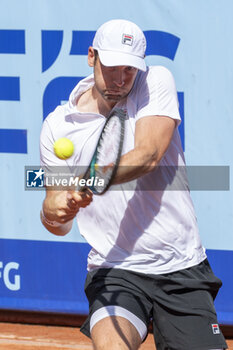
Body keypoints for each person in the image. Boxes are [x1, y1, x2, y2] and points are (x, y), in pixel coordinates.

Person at [40, 19, 227, 350]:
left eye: (129, 69)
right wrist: (55, 211)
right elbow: (55, 217)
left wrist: (94, 178)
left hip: (181, 265)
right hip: (115, 270)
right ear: (91, 57)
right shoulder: (58, 125)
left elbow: (149, 154)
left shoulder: (155, 81)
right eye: (112, 67)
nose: (121, 79)